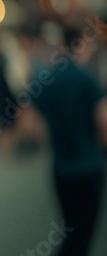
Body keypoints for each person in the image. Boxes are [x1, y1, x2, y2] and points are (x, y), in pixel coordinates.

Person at [32, 26, 107, 256]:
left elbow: (31, 125)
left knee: (70, 227)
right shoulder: (88, 79)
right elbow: (103, 121)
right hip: (89, 166)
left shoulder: (47, 78)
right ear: (80, 45)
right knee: (82, 236)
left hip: (60, 167)